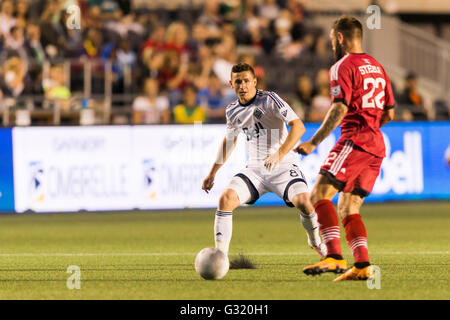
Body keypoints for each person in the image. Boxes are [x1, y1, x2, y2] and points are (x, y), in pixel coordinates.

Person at [295, 16, 395, 281]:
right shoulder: (378, 67)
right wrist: (371, 125)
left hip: (355, 140)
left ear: (339, 37)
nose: (331, 45)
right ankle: (362, 265)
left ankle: (334, 257)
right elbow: (390, 113)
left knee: (318, 195)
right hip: (375, 145)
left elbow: (339, 107)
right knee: (348, 207)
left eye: (331, 40)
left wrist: (313, 142)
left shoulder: (342, 66)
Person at [201, 63, 326, 260]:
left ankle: (315, 240)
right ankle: (220, 257)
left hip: (283, 166)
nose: (242, 85)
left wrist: (280, 154)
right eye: (238, 82)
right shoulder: (232, 111)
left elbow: (298, 126)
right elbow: (229, 142)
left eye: (246, 81)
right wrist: (212, 173)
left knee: (304, 202)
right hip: (255, 169)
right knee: (225, 199)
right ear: (231, 84)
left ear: (254, 82)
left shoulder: (270, 100)